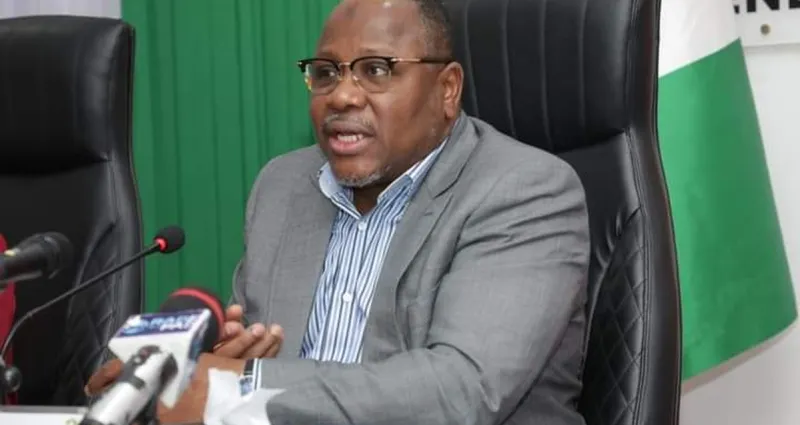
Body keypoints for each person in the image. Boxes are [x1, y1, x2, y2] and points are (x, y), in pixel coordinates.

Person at [87, 0, 591, 423]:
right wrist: (196, 368)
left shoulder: (524, 190)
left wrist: (238, 385)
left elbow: (461, 389)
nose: (343, 95)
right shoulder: (283, 186)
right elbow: (248, 357)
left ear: (447, 89)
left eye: (377, 70)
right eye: (326, 73)